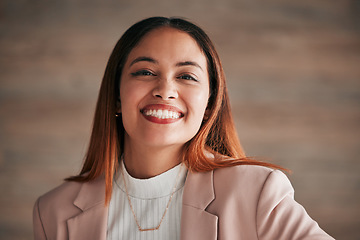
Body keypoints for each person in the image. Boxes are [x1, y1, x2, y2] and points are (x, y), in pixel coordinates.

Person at [33, 17, 334, 240]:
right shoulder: (53, 212)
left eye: (187, 76)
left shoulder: (258, 192)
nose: (165, 90)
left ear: (209, 104)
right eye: (145, 72)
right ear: (116, 95)